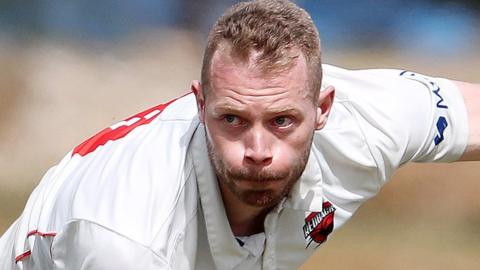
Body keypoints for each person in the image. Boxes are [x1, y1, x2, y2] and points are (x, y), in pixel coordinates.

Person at [0, 0, 478, 269]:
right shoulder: (128, 236)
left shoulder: (371, 119)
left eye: (282, 121)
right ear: (199, 104)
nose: (258, 151)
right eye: (232, 119)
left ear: (324, 108)